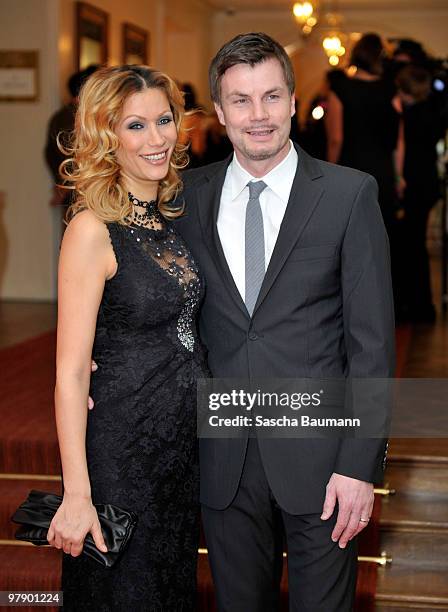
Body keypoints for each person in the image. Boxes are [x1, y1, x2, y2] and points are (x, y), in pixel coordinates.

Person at [174, 33, 395, 611]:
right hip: (222, 457)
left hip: (323, 464)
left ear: (294, 101)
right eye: (241, 100)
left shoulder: (350, 195)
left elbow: (372, 344)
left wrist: (358, 464)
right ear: (219, 112)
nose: (259, 116)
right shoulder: (186, 197)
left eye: (271, 97)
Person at [47, 65, 207, 611]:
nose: (157, 138)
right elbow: (70, 371)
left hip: (176, 453)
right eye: (135, 125)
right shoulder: (92, 228)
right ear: (105, 135)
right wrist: (77, 493)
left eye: (164, 120)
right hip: (122, 451)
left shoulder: (165, 219)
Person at [325, 33, 403, 234]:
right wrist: (398, 176)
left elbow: (336, 139)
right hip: (383, 172)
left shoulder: (340, 90)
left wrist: (329, 177)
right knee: (381, 238)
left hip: (350, 171)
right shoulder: (391, 91)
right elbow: (399, 140)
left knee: (349, 237)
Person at [44, 65, 98, 210]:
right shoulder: (75, 118)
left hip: (75, 188)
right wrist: (66, 186)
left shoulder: (61, 115)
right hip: (81, 189)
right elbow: (71, 154)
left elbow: (49, 154)